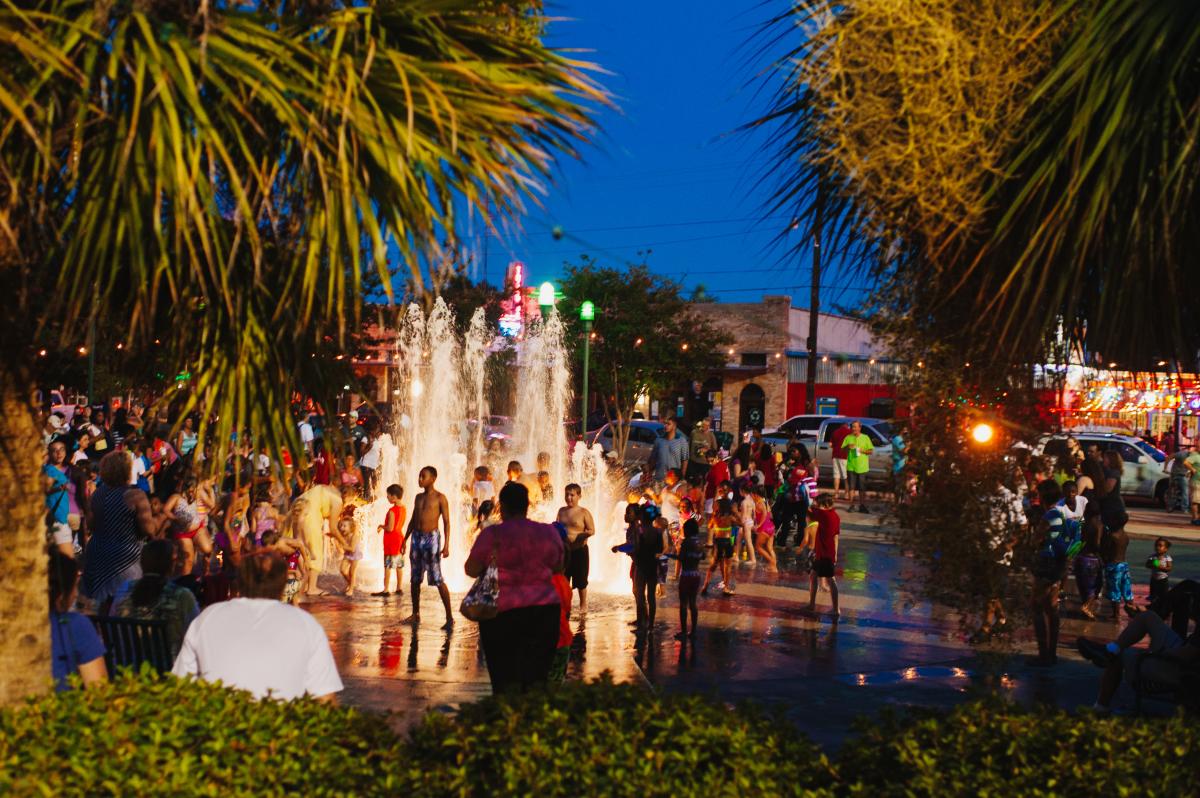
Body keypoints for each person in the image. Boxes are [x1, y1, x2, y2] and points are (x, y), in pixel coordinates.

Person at [172, 551, 344, 701]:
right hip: (280, 730)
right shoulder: (305, 624)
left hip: (219, 726)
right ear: (283, 585)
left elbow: (180, 687)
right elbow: (325, 699)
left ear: (238, 583)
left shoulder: (207, 617)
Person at [465, 482, 566, 694]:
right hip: (544, 611)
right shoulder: (548, 532)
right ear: (527, 505)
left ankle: (507, 721)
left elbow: (471, 569)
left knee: (504, 678)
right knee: (537, 679)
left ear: (501, 506)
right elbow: (558, 566)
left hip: (502, 613)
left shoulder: (491, 535)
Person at [1077, 608, 1199, 714]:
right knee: (1148, 617)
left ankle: (1101, 707)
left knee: (1121, 655)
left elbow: (1186, 655)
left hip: (1180, 669)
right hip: (1184, 651)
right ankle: (1111, 649)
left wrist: (1154, 655)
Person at [81, 451, 157, 609]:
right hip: (125, 557)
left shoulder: (96, 495)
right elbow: (149, 529)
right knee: (124, 607)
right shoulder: (136, 496)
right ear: (127, 470)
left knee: (98, 606)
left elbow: (91, 525)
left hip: (97, 553)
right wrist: (160, 518)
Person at [113, 539, 199, 659]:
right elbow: (197, 636)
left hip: (128, 669)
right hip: (168, 672)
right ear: (171, 565)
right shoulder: (182, 596)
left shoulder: (125, 589)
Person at [402, 466, 454, 629]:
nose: (419, 479)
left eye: (423, 476)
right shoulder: (418, 497)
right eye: (419, 476)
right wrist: (405, 539)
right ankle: (416, 613)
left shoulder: (440, 498)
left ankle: (449, 617)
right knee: (414, 579)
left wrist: (446, 545)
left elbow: (446, 522)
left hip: (431, 539)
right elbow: (413, 519)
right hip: (416, 538)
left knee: (437, 578)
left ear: (433, 479)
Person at [48, 549, 108, 690]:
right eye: (75, 586)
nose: (76, 594)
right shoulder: (75, 625)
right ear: (62, 592)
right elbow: (99, 690)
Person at [160, 476, 215, 577]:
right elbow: (165, 509)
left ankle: (205, 572)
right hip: (183, 533)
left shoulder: (197, 495)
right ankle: (186, 582)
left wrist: (210, 490)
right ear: (186, 488)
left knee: (207, 549)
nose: (192, 493)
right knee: (188, 560)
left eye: (194, 490)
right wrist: (174, 518)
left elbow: (211, 504)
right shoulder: (176, 497)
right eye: (191, 490)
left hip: (198, 528)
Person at [556, 483, 596, 618]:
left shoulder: (583, 512)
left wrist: (582, 535)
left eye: (572, 495)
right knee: (564, 578)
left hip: (580, 550)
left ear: (579, 496)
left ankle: (583, 604)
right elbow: (557, 526)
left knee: (581, 580)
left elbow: (592, 530)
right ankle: (565, 603)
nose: (569, 498)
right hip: (565, 551)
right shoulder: (561, 511)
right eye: (566, 495)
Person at [632, 506, 669, 631]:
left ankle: (641, 623)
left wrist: (620, 549)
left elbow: (636, 548)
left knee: (640, 595)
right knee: (651, 597)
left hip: (641, 566)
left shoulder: (639, 530)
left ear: (642, 517)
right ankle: (651, 624)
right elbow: (659, 550)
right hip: (652, 566)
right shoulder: (658, 532)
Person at [807, 494, 841, 618]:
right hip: (827, 552)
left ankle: (836, 609)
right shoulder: (836, 516)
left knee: (831, 579)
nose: (818, 507)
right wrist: (835, 553)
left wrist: (810, 504)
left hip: (825, 553)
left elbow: (808, 510)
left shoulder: (824, 514)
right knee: (813, 575)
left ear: (825, 505)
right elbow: (836, 536)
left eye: (819, 504)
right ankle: (811, 604)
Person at [669, 518, 704, 640]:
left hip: (686, 575)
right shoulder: (700, 543)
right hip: (696, 575)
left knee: (683, 604)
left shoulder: (686, 543)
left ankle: (684, 631)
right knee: (693, 603)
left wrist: (668, 555)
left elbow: (681, 558)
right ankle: (693, 630)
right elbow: (702, 556)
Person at [43, 439, 78, 557]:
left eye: (61, 449)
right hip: (56, 521)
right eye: (54, 451)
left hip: (61, 518)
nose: (59, 453)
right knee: (69, 562)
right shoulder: (48, 470)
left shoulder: (63, 470)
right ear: (49, 453)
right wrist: (59, 488)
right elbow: (43, 490)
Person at [371, 483, 407, 599]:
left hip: (391, 540)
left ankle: (386, 589)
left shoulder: (392, 510)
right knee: (398, 565)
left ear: (394, 497)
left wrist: (382, 526)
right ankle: (399, 587)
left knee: (387, 565)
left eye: (388, 496)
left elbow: (390, 528)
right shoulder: (403, 508)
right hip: (399, 538)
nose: (387, 498)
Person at [701, 498, 736, 597]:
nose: (714, 507)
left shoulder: (715, 517)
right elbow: (740, 523)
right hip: (728, 542)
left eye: (715, 505)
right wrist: (735, 513)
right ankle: (726, 588)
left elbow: (709, 526)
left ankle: (705, 586)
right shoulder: (730, 517)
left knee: (713, 565)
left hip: (718, 542)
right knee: (727, 565)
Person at [841, 421, 874, 513]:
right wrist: (848, 446)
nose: (854, 429)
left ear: (860, 428)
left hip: (862, 467)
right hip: (851, 466)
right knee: (851, 487)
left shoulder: (865, 437)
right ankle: (851, 505)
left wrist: (863, 451)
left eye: (855, 427)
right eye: (852, 427)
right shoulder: (848, 437)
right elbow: (843, 450)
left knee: (862, 488)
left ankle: (862, 505)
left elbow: (871, 451)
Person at [650, 415, 690, 483]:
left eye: (668, 424)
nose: (665, 426)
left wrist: (682, 477)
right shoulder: (658, 440)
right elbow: (653, 459)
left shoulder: (682, 441)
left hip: (673, 480)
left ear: (674, 426)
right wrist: (649, 472)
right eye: (665, 423)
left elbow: (685, 461)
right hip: (659, 478)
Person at [752, 484, 778, 571]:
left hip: (765, 529)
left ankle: (772, 562)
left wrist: (759, 525)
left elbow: (764, 514)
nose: (751, 496)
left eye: (752, 494)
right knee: (769, 548)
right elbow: (770, 515)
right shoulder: (765, 502)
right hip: (771, 527)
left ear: (756, 494)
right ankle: (774, 567)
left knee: (758, 547)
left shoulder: (759, 503)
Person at [1146, 537, 1173, 605]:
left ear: (1166, 549)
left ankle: (1163, 609)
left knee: (1164, 596)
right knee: (1153, 595)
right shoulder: (1152, 557)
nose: (1157, 547)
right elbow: (1147, 565)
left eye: (1160, 546)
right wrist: (1152, 565)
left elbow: (1169, 568)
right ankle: (1153, 608)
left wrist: (1160, 567)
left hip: (1163, 580)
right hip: (1154, 580)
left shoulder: (1167, 558)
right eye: (1156, 545)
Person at [358, 429, 383, 500]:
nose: (378, 432)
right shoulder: (365, 439)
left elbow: (378, 452)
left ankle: (373, 499)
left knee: (374, 483)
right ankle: (366, 499)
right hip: (366, 466)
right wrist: (369, 447)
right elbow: (361, 452)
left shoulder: (377, 440)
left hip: (374, 466)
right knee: (367, 485)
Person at [830, 423, 852, 502]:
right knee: (846, 476)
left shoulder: (835, 432)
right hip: (845, 456)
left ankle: (836, 493)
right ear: (847, 426)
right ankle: (846, 494)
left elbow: (831, 444)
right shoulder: (849, 432)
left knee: (836, 475)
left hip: (835, 456)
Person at [1184, 443, 1200, 525]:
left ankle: (1197, 518)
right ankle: (1195, 519)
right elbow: (1186, 462)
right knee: (1195, 501)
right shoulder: (1195, 456)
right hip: (1196, 482)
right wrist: (1192, 469)